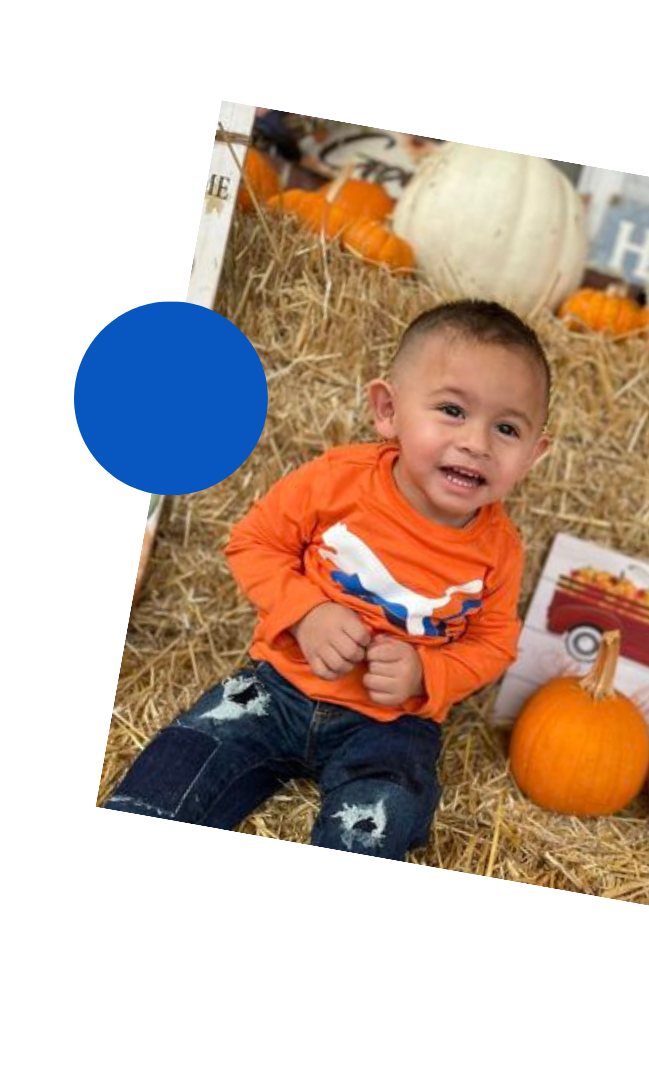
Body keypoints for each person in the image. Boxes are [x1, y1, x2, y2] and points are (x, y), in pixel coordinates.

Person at [103, 300, 553, 861]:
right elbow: (253, 543)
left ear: (533, 456)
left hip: (391, 726)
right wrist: (307, 611)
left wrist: (425, 671)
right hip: (275, 690)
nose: (477, 442)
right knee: (180, 769)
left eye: (506, 428)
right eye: (452, 411)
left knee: (381, 814)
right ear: (388, 410)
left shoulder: (499, 550)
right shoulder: (337, 482)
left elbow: (494, 643)